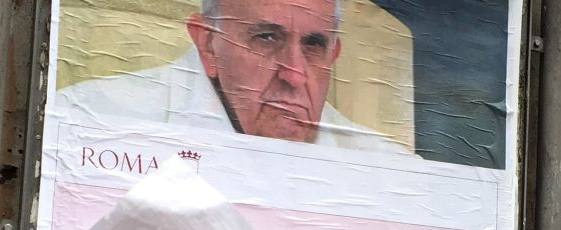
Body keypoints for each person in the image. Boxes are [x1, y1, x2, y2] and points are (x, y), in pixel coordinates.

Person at [55, 0, 411, 153]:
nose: (295, 75)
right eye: (267, 38)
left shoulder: (391, 174)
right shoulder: (84, 123)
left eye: (314, 45)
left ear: (334, 55)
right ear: (208, 45)